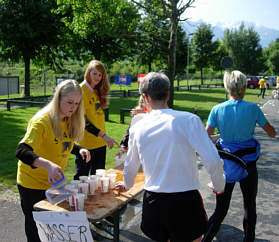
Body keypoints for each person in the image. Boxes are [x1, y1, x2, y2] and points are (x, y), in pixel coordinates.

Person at [116, 72, 225, 242]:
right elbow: (212, 159)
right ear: (168, 95)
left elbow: (131, 163)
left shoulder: (138, 126)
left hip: (154, 201)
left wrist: (126, 184)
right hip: (185, 200)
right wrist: (219, 184)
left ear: (144, 97)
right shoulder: (189, 120)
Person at [203, 71, 276, 242]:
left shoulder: (217, 109)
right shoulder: (253, 109)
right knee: (249, 205)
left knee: (220, 210)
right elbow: (271, 133)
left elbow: (206, 136)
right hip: (247, 163)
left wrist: (221, 137)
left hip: (226, 164)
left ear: (227, 87)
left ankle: (205, 239)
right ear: (244, 87)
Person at [15, 79, 91, 242]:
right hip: (31, 184)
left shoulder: (68, 118)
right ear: (58, 99)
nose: (73, 108)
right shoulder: (41, 121)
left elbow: (62, 141)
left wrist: (79, 149)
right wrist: (48, 165)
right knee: (36, 229)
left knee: (53, 228)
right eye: (69, 102)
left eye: (77, 104)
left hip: (54, 184)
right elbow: (22, 150)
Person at [74, 60, 119, 180]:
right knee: (81, 180)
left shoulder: (97, 91)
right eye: (95, 73)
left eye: (100, 75)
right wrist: (104, 135)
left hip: (100, 144)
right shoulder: (80, 90)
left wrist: (103, 137)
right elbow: (83, 121)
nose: (97, 77)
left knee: (98, 180)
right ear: (88, 73)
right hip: (85, 145)